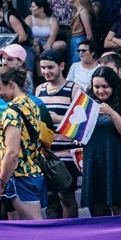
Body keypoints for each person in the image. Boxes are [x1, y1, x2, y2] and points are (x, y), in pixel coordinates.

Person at [0, 65, 50, 219]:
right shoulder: (32, 104)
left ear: (11, 85)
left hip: (20, 177)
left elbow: (12, 153)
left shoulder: (11, 112)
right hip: (34, 174)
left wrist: (0, 184)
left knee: (35, 229)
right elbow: (5, 143)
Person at [82, 66, 121, 216]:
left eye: (105, 87)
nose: (100, 91)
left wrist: (112, 113)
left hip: (119, 161)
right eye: (96, 87)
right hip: (95, 161)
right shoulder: (88, 103)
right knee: (97, 213)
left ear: (114, 86)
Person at [34, 49, 81, 219]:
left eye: (50, 67)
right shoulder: (39, 89)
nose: (46, 71)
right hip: (45, 152)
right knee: (51, 197)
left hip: (67, 153)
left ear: (61, 66)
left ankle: (70, 232)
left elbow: (82, 122)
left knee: (66, 196)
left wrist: (59, 119)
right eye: (43, 68)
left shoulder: (73, 89)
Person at [67, 0, 95, 68]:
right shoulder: (75, 10)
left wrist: (87, 48)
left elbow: (89, 34)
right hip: (74, 40)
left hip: (80, 40)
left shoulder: (83, 11)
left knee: (77, 65)